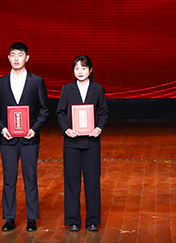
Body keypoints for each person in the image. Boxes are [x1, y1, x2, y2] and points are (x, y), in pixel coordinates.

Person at [0, 42, 50, 232]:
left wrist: (35, 128)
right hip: (8, 139)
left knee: (31, 178)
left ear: (27, 58)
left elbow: (44, 109)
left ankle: (32, 218)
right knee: (9, 179)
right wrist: (2, 128)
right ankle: (9, 218)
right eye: (13, 55)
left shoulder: (36, 81)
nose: (16, 58)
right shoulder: (0, 83)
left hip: (30, 138)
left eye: (20, 55)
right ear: (8, 58)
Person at [56, 55, 109, 232]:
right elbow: (60, 112)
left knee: (92, 181)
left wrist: (99, 127)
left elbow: (103, 112)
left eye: (84, 68)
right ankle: (73, 220)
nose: (80, 71)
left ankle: (92, 220)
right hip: (71, 142)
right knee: (72, 181)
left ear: (90, 70)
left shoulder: (98, 89)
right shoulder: (67, 89)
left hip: (92, 142)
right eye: (77, 68)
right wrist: (66, 129)